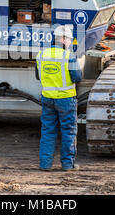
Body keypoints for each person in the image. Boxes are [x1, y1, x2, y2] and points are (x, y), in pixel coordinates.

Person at [35, 25, 82, 171]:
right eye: (69, 39)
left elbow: (38, 76)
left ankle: (45, 164)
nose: (70, 43)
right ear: (63, 39)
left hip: (47, 99)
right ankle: (68, 165)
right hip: (66, 100)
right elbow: (77, 77)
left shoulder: (41, 55)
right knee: (68, 132)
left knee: (48, 131)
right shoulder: (68, 56)